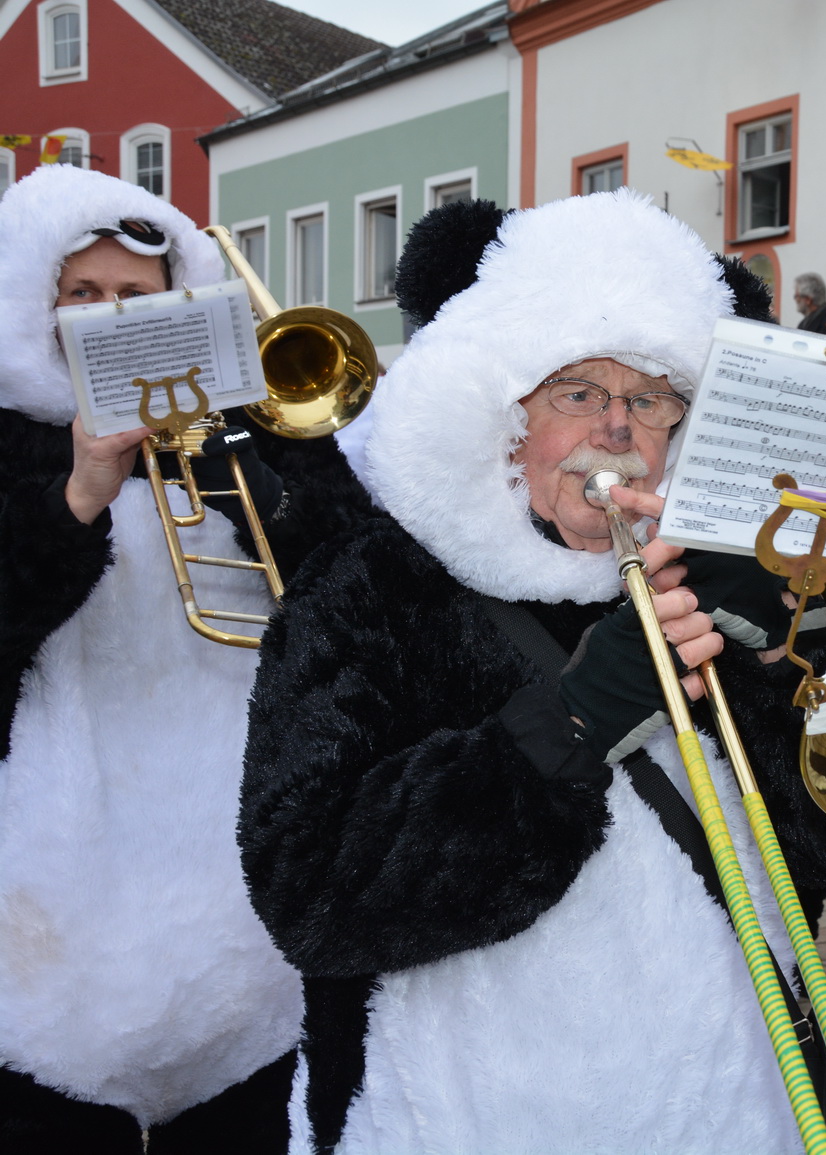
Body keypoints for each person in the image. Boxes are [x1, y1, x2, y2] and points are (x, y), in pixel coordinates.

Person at [236, 191, 826, 1153]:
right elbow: (312, 895)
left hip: (734, 1099)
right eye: (577, 393)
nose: (616, 428)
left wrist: (781, 669)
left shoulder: (720, 576)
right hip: (458, 1116)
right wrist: (575, 718)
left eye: (651, 398)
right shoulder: (371, 583)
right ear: (505, 422)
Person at [0, 165, 372, 1150]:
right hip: (47, 921)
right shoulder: (10, 445)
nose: (111, 317)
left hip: (243, 904)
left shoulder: (251, 438)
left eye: (137, 297)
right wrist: (81, 490)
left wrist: (240, 482)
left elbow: (354, 600)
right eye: (82, 295)